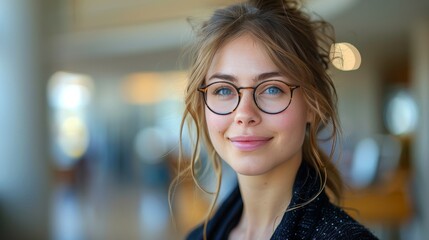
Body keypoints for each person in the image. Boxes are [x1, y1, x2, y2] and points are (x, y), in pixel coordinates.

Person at [171, 0, 378, 239]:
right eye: (224, 90)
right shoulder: (198, 236)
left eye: (271, 89)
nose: (244, 114)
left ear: (313, 105)